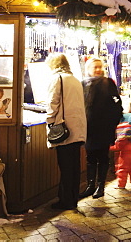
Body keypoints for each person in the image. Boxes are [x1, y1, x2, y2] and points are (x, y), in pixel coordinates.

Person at [46, 53, 87, 210]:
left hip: (65, 129)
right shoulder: (75, 79)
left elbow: (52, 103)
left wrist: (50, 121)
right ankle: (71, 198)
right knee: (73, 167)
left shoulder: (58, 78)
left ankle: (66, 200)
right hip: (77, 129)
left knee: (65, 166)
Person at [81, 57, 123, 198]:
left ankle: (100, 186)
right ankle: (90, 185)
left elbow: (117, 105)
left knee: (103, 157)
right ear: (88, 69)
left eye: (100, 66)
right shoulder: (83, 84)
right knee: (90, 157)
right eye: (95, 67)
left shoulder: (108, 83)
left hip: (104, 128)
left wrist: (112, 123)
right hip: (88, 129)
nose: (98, 69)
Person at [110, 123, 131, 189]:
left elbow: (117, 148)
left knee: (122, 170)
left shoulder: (122, 141)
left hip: (124, 157)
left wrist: (109, 148)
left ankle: (121, 185)